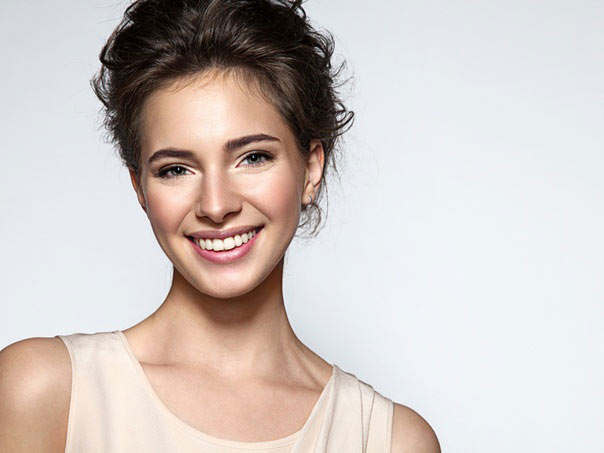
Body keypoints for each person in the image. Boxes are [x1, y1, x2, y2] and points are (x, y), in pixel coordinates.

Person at [0, 0, 440, 451]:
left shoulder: (388, 439)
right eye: (175, 168)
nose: (216, 205)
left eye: (253, 157)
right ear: (139, 187)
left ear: (310, 170)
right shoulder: (46, 391)